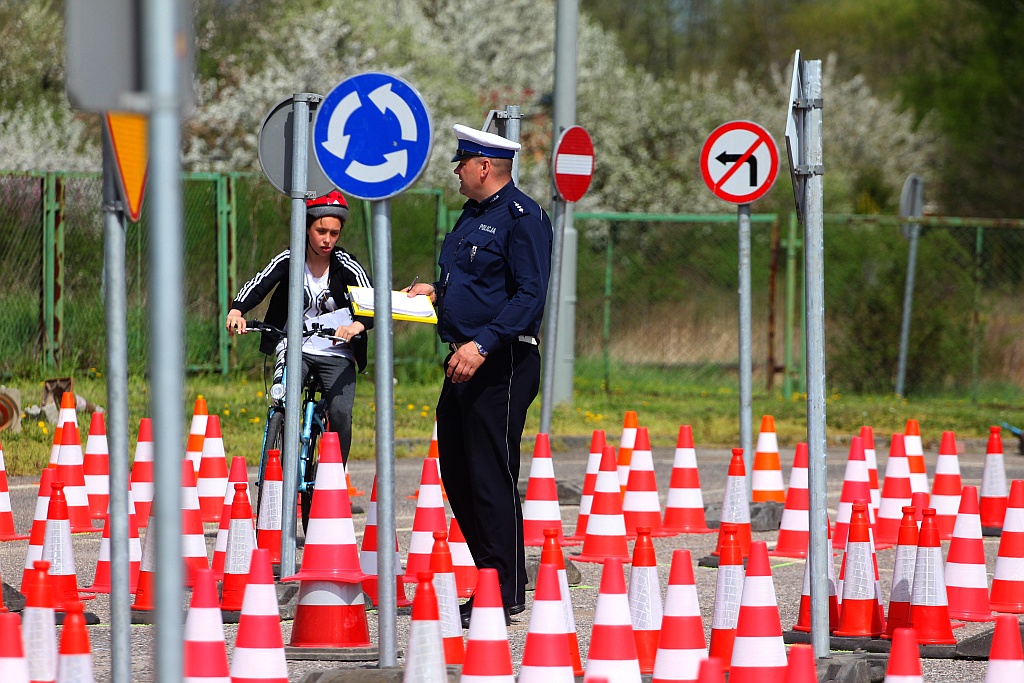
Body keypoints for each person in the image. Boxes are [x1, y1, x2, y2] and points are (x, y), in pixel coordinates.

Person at [406, 124, 553, 625]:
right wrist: (435, 292)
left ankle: (502, 590)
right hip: (463, 361)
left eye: (462, 163)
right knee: (458, 472)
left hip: (501, 361)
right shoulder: (472, 214)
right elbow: (477, 283)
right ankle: (495, 576)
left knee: (491, 476)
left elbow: (530, 295)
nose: (457, 171)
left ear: (484, 167)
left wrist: (483, 343)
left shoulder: (523, 217)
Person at [225, 190, 372, 464]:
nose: (327, 240)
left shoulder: (347, 265)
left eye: (334, 233)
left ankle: (334, 477)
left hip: (336, 352)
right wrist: (237, 310)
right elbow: (258, 284)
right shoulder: (290, 258)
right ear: (306, 228)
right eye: (321, 231)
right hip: (295, 348)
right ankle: (280, 466)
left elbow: (371, 302)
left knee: (340, 413)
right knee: (283, 400)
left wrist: (356, 326)